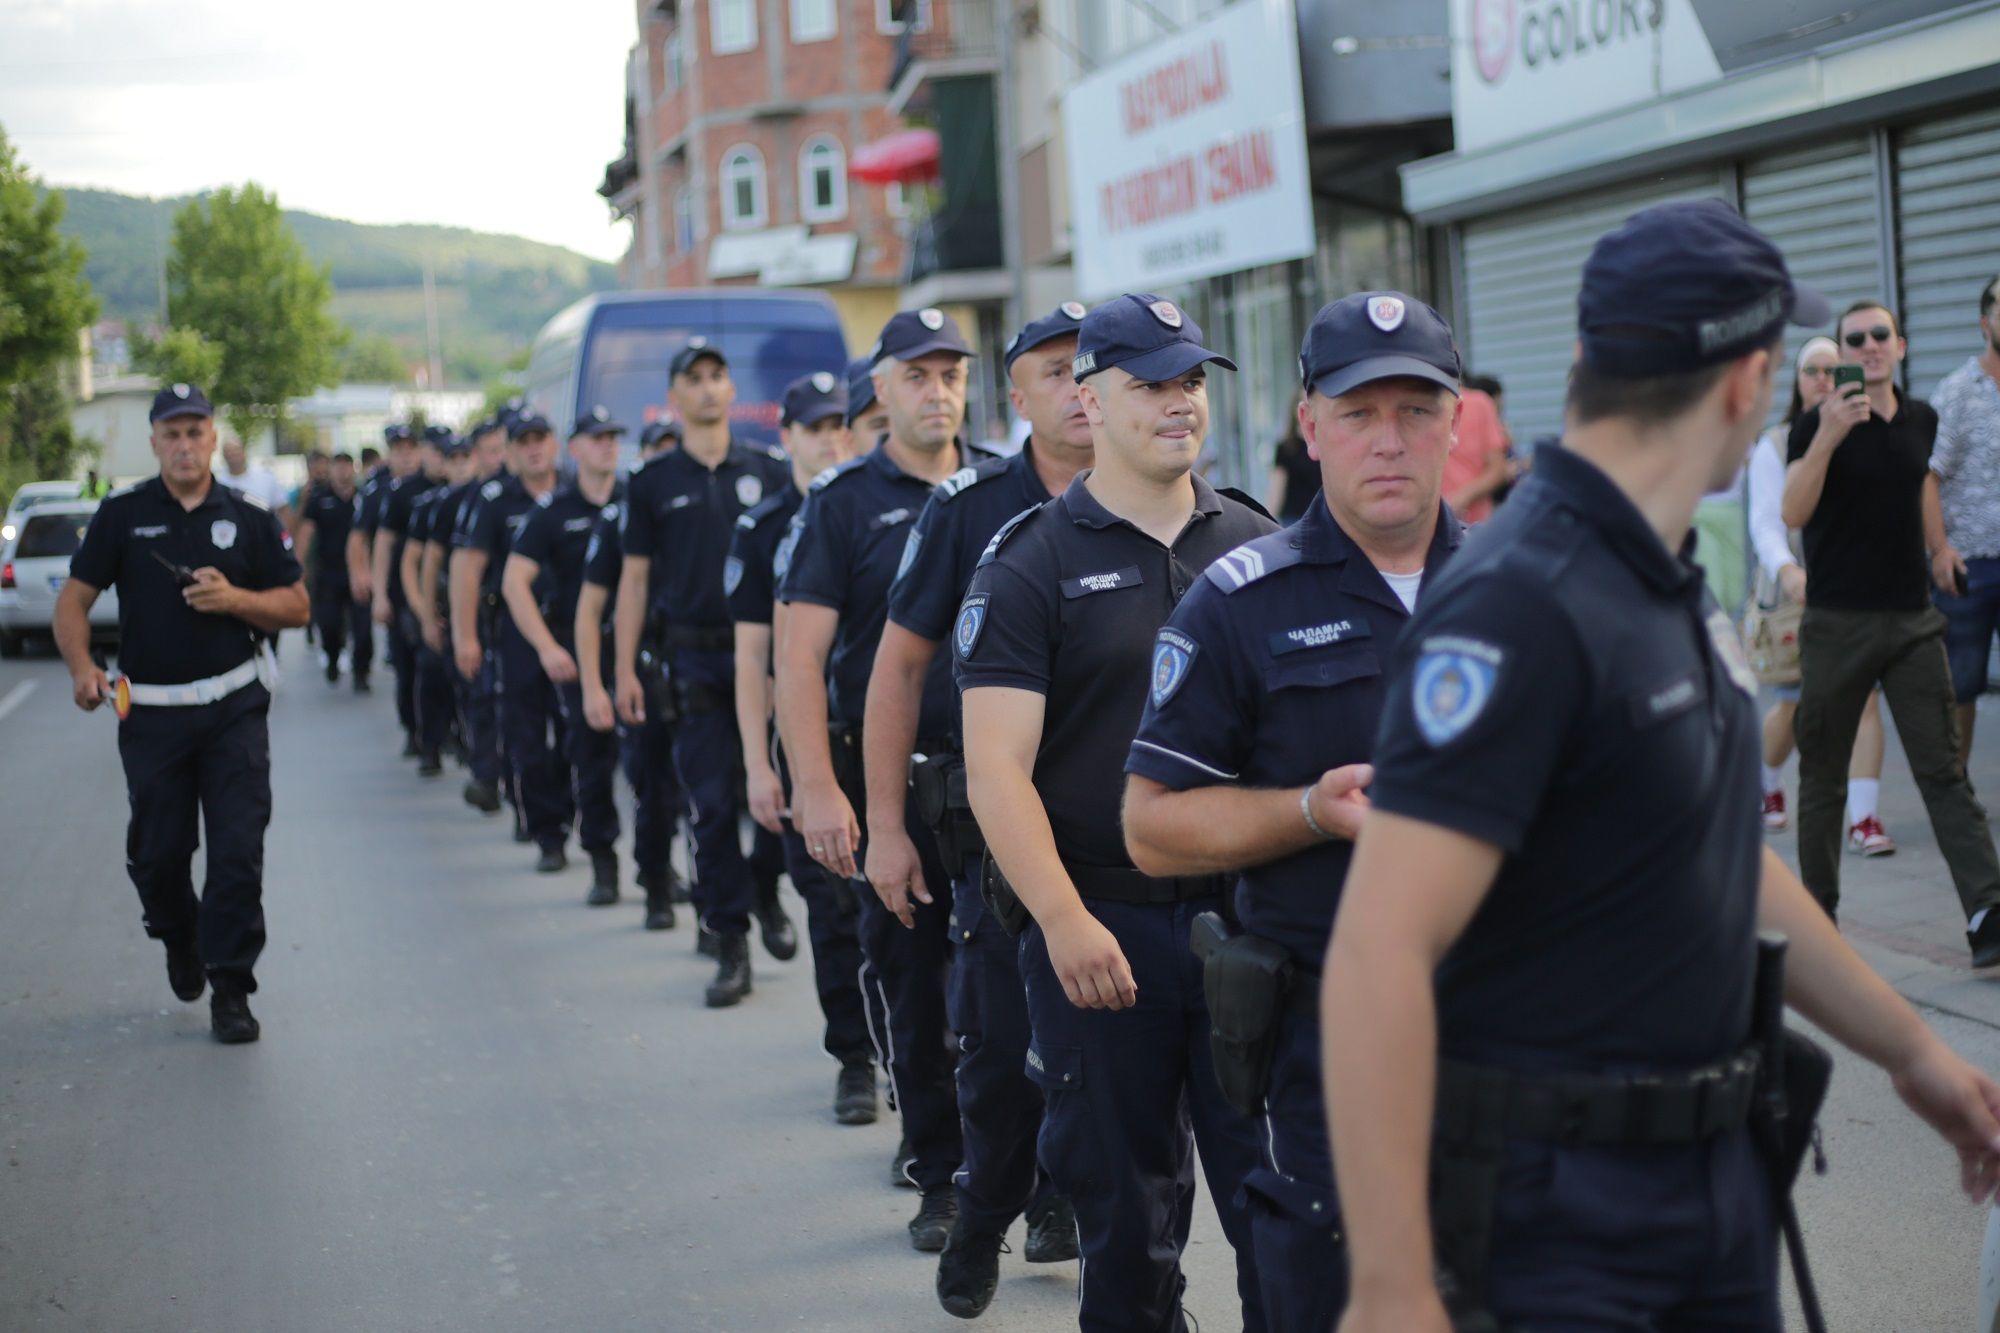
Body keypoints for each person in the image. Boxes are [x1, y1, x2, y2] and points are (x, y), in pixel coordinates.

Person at [1321, 199, 2000, 1333]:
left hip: (1708, 1185)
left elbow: (1717, 858)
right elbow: (1376, 947)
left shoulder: (1653, 573)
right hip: (1562, 1223)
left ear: (1587, 358)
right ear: (1747, 382)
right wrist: (1391, 1288)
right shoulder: (1521, 599)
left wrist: (1913, 1051)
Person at [1121, 290, 1466, 1330]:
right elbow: (1150, 827)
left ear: (1456, 421)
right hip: (1329, 1040)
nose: (1388, 441)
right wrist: (1309, 810)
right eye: (1358, 413)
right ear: (1309, 425)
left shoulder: (1526, 585)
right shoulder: (1240, 602)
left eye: (1415, 410)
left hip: (1512, 1028)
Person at [956, 294, 1278, 1331]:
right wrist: (1060, 919)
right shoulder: (1030, 561)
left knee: (1285, 1219)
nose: (1180, 402)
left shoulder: (1258, 545)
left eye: (1190, 380)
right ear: (1090, 402)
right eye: (1150, 384)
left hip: (1247, 926)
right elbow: (995, 770)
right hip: (1102, 930)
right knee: (1128, 1235)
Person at [866, 304, 1093, 1314]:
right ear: (1019, 396)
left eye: (1094, 369)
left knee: (1108, 1064)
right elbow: (898, 669)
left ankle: (1071, 1204)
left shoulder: (1159, 503)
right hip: (995, 836)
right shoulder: (970, 509)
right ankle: (982, 1201)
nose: (1080, 388)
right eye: (1057, 372)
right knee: (998, 1055)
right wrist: (882, 825)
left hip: (1116, 835)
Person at [775, 308, 978, 1251]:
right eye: (917, 376)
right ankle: (940, 1175)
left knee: (1016, 989)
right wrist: (818, 785)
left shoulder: (1001, 486)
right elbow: (799, 658)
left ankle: (1044, 1180)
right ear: (882, 391)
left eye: (951, 374)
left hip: (1002, 776)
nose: (937, 392)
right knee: (916, 984)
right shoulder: (843, 502)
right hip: (888, 774)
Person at [53, 383, 309, 1044]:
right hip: (152, 715)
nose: (185, 445)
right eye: (172, 433)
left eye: (196, 432)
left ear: (213, 437)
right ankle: (178, 935)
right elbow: (73, 602)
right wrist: (82, 668)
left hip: (234, 709)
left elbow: (297, 605)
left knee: (237, 853)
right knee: (159, 855)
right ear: (155, 442)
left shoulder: (250, 517)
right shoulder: (122, 515)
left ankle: (231, 987)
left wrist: (236, 600)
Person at [1782, 299, 2000, 957]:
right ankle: (1819, 920)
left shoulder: (1921, 419)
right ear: (1842, 355)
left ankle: (1987, 913)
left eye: (1881, 334)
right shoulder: (1814, 424)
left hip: (1912, 622)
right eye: (1855, 339)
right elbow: (1793, 509)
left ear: (1900, 347)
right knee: (1824, 777)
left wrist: (1940, 549)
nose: (1869, 345)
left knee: (1943, 771)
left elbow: (1923, 489)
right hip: (1837, 624)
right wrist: (1828, 435)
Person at [614, 338, 791, 1006]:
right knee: (712, 806)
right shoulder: (651, 481)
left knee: (777, 797)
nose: (709, 387)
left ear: (730, 390)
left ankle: (765, 887)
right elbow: (634, 582)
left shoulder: (769, 471)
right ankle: (730, 940)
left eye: (718, 375)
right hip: (693, 658)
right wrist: (624, 669)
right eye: (695, 378)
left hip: (767, 659)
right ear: (675, 396)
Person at [728, 372, 881, 1124]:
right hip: (812, 745)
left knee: (900, 912)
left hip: (882, 740)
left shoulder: (872, 505)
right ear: (786, 437)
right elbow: (755, 657)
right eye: (814, 427)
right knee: (832, 908)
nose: (830, 439)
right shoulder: (765, 528)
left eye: (839, 425)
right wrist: (762, 765)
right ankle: (854, 1057)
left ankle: (911, 1052)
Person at [1746, 336, 1891, 847]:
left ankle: (1864, 820)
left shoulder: (1868, 434)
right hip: (1798, 593)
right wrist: (1787, 570)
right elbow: (1766, 522)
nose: (1823, 379)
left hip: (1855, 590)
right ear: (1798, 380)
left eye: (1833, 370)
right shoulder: (1776, 443)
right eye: (1812, 370)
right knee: (1795, 706)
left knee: (1866, 699)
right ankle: (1766, 785)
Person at [506, 408, 628, 904]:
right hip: (579, 652)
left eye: (612, 437)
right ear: (574, 449)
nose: (607, 446)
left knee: (655, 766)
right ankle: (600, 858)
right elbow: (514, 583)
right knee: (590, 758)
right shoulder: (553, 512)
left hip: (635, 650)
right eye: (596, 439)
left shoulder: (635, 502)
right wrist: (547, 647)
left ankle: (658, 869)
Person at [579, 419, 688, 929]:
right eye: (656, 451)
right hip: (646, 667)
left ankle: (714, 909)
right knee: (654, 786)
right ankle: (656, 882)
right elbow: (591, 606)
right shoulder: (620, 519)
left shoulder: (699, 505)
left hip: (699, 664)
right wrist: (600, 681)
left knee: (706, 794)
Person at [458, 412, 571, 872]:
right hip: (517, 634)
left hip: (572, 630)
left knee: (576, 738)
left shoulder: (575, 491)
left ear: (555, 443)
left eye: (540, 439)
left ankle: (567, 811)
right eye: (523, 442)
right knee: (526, 735)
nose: (534, 449)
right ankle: (546, 832)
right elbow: (469, 570)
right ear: (510, 452)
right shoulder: (496, 500)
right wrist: (466, 636)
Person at [1929, 274, 2000, 768]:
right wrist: (1939, 550)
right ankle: (1956, 794)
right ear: (1984, 322)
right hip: (1968, 566)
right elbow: (1927, 476)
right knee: (1961, 686)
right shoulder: (1956, 392)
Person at [442, 420, 509, 812]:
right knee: (483, 697)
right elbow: (458, 566)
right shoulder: (470, 499)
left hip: (529, 615)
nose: (497, 458)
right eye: (489, 450)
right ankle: (486, 776)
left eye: (501, 448)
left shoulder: (523, 492)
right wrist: (462, 631)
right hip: (486, 612)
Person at [403, 435, 474, 775]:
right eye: (453, 459)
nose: (460, 466)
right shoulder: (435, 504)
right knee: (432, 675)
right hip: (441, 605)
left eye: (465, 458)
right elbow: (419, 562)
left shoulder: (483, 499)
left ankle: (467, 743)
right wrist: (425, 613)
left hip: (473, 608)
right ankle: (429, 745)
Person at [364, 425, 423, 750]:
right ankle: (412, 729)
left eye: (411, 448)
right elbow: (376, 544)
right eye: (399, 450)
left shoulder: (435, 485)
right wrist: (379, 594)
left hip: (434, 592)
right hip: (400, 593)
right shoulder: (381, 491)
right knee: (406, 665)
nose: (406, 456)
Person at [296, 452, 368, 687]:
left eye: (347, 466)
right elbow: (306, 532)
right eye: (338, 466)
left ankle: (361, 672)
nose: (343, 471)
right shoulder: (319, 498)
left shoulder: (364, 497)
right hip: (328, 571)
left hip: (359, 573)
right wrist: (298, 566)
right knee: (329, 623)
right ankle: (333, 656)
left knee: (362, 628)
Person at [1440, 381, 1511, 524]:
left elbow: (1498, 469)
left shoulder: (1479, 403)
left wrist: (1463, 497)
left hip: (1475, 524)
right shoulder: (1414, 403)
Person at [216, 437, 294, 530]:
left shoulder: (265, 478)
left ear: (244, 452)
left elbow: (283, 509)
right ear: (224, 456)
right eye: (229, 452)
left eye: (236, 451)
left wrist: (285, 534)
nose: (233, 455)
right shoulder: (218, 482)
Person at [1264, 390, 1316, 522]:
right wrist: (1267, 522)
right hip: (1293, 520)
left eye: (1311, 404)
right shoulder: (1286, 447)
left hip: (1324, 519)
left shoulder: (1328, 444)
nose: (1308, 410)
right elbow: (1276, 490)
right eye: (1303, 404)